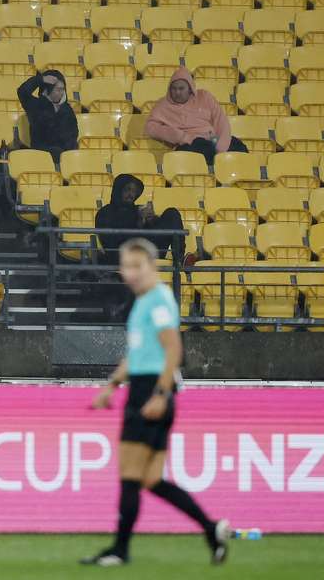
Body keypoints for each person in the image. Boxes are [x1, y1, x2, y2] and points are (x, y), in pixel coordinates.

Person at [81, 239, 230, 567]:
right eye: (126, 266)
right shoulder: (145, 301)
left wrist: (160, 395)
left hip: (151, 392)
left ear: (152, 266)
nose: (130, 273)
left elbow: (173, 349)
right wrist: (111, 385)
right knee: (149, 480)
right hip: (149, 389)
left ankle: (120, 551)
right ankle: (211, 529)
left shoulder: (159, 300)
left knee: (129, 476)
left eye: (137, 266)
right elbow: (137, 355)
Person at [145, 67, 248, 166]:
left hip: (212, 138)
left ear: (190, 88)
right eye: (174, 88)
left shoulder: (204, 96)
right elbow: (150, 128)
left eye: (181, 88)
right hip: (189, 143)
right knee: (204, 149)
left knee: (239, 147)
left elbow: (220, 121)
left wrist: (221, 147)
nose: (177, 92)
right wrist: (179, 136)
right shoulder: (163, 105)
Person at [95, 175, 188, 265]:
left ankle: (179, 260)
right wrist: (137, 221)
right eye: (128, 189)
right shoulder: (105, 212)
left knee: (172, 213)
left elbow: (151, 231)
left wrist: (151, 220)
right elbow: (109, 242)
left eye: (134, 191)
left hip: (149, 250)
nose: (131, 194)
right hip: (122, 255)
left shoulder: (138, 209)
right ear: (118, 190)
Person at [17, 70, 78, 164]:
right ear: (47, 89)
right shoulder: (36, 106)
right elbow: (22, 92)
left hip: (65, 154)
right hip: (41, 153)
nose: (61, 93)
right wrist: (41, 79)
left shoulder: (67, 109)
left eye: (63, 89)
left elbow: (73, 134)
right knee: (56, 153)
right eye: (58, 89)